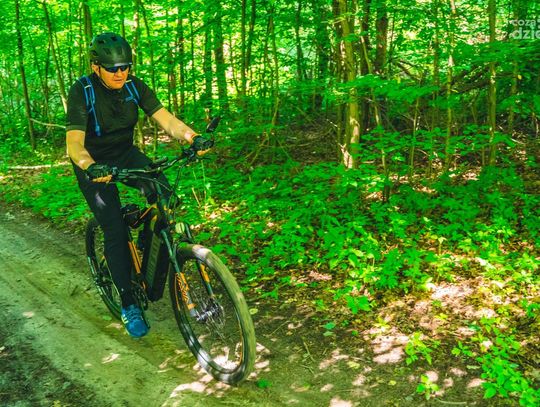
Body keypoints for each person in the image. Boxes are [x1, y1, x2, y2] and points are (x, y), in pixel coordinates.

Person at [66, 32, 210, 338]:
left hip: (124, 154)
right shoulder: (82, 91)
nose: (120, 73)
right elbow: (74, 144)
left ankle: (148, 245)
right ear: (96, 67)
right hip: (93, 163)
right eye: (112, 68)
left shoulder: (134, 86)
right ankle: (128, 302)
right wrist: (90, 166)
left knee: (165, 196)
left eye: (125, 66)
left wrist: (193, 137)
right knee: (115, 230)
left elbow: (167, 120)